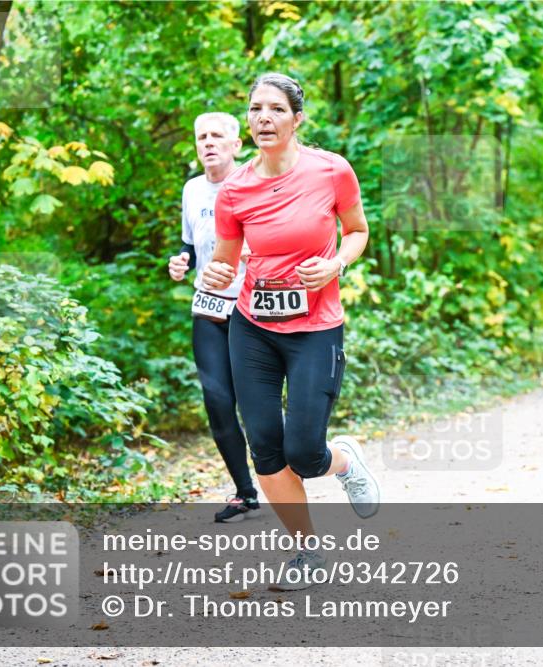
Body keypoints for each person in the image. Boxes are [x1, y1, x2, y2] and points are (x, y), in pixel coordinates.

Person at [202, 73, 379, 590]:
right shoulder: (234, 190)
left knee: (304, 451)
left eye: (276, 109)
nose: (263, 117)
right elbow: (225, 261)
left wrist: (336, 266)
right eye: (256, 108)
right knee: (266, 448)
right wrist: (216, 273)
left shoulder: (331, 171)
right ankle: (306, 552)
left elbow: (359, 231)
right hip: (252, 326)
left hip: (316, 328)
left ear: (297, 119)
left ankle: (343, 463)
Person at [168, 112, 259, 523]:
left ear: (236, 144)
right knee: (218, 401)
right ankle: (245, 492)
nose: (208, 142)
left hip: (251, 307)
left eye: (217, 136)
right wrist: (180, 263)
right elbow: (188, 245)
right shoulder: (191, 190)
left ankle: (282, 474)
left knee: (256, 403)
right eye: (201, 136)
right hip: (207, 306)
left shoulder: (254, 184)